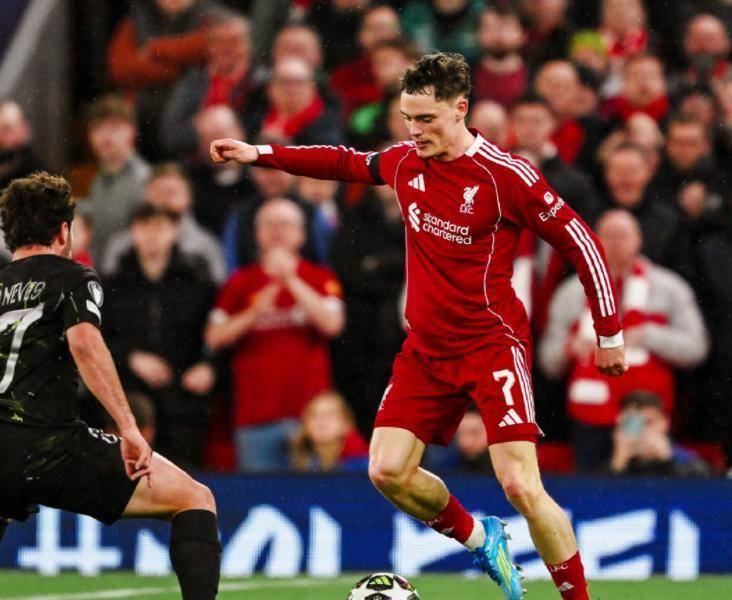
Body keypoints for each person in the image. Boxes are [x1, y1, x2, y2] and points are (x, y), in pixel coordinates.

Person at [211, 52, 627, 600]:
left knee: (521, 486)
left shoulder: (506, 176)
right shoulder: (407, 162)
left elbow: (583, 245)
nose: (414, 130)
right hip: (427, 350)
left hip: (491, 345)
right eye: (408, 118)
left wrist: (609, 333)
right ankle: (481, 539)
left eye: (426, 119)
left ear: (461, 109)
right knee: (386, 471)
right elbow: (344, 162)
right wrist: (260, 153)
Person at [0, 173, 220, 599]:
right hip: (48, 445)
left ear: (10, 235)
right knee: (193, 498)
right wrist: (128, 427)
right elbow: (85, 343)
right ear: (64, 231)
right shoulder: (73, 277)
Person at [539, 210, 708, 471]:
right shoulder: (571, 292)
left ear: (639, 239)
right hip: (590, 417)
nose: (616, 243)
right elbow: (547, 360)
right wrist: (570, 348)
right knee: (592, 487)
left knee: (650, 483)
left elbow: (696, 348)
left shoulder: (670, 288)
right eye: (608, 236)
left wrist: (648, 335)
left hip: (649, 414)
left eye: (622, 236)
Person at [205, 198, 345, 472]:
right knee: (259, 491)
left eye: (285, 224)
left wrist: (290, 279)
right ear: (257, 233)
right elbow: (214, 336)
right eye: (269, 224)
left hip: (312, 419)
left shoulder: (321, 277)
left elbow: (332, 324)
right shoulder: (239, 281)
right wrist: (253, 313)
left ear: (301, 234)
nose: (277, 231)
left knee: (315, 490)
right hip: (255, 417)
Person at [103, 204, 218, 469]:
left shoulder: (199, 282)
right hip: (130, 398)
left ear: (175, 230)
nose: (152, 234)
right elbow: (97, 339)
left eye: (160, 226)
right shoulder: (112, 284)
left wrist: (210, 367)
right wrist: (131, 359)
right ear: (133, 231)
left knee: (184, 476)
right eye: (144, 226)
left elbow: (218, 336)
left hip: (185, 402)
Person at [81, 96, 151, 264]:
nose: (105, 136)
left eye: (114, 127)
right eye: (97, 128)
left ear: (131, 131)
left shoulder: (146, 179)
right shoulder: (98, 180)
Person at [609, 391, 710, 477]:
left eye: (649, 422)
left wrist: (668, 461)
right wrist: (618, 463)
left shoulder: (685, 459)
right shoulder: (608, 455)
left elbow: (705, 482)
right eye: (633, 424)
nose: (642, 431)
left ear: (665, 422)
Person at [290, 390, 369, 472]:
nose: (321, 421)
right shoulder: (291, 461)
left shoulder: (364, 466)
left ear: (347, 423)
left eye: (330, 414)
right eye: (314, 415)